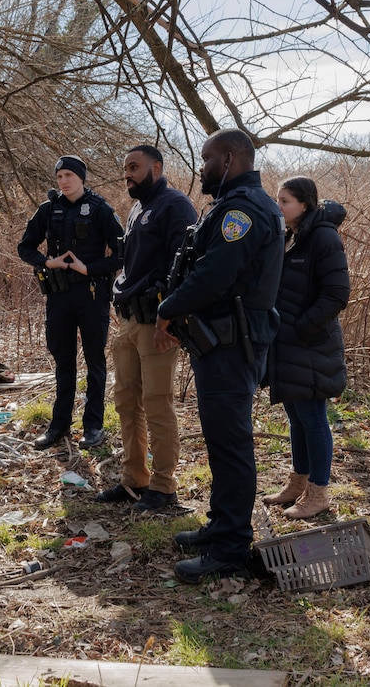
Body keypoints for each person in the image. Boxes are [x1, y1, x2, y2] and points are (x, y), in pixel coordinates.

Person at [155, 128, 284, 583]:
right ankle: (221, 526)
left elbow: (214, 275)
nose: (201, 167)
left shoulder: (242, 212)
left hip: (231, 346)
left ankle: (230, 547)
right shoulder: (234, 205)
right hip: (222, 344)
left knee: (231, 446)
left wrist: (167, 310)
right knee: (222, 442)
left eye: (207, 158)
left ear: (229, 159)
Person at [95, 145, 197, 512]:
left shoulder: (176, 206)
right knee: (126, 403)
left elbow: (184, 268)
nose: (127, 174)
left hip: (157, 324)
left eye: (134, 167)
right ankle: (134, 479)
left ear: (156, 167)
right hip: (127, 320)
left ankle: (163, 486)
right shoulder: (138, 208)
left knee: (157, 404)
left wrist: (167, 320)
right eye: (125, 167)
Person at [18, 156, 124, 451]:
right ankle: (59, 425)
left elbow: (122, 253)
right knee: (63, 362)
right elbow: (25, 247)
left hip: (92, 294)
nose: (63, 181)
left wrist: (88, 268)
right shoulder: (48, 209)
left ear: (81, 178)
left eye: (69, 175)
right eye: (59, 176)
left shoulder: (101, 209)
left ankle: (93, 426)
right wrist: (46, 262)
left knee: (94, 361)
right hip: (59, 295)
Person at [263, 176, 349, 519]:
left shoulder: (323, 237)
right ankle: (298, 483)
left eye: (284, 201)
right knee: (296, 416)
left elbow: (337, 294)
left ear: (304, 204)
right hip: (287, 344)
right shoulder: (291, 237)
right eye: (278, 199)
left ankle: (318, 493)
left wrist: (301, 328)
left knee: (313, 418)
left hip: (311, 345)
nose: (278, 206)